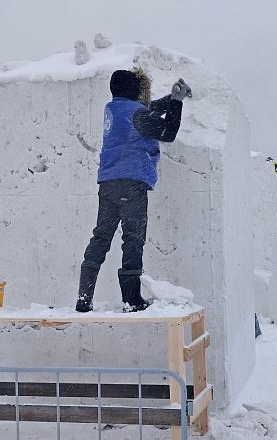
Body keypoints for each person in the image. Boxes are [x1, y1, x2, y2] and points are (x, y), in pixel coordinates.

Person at [76, 69, 191, 313]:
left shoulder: (114, 110)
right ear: (134, 90)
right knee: (133, 240)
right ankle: (131, 299)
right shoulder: (137, 115)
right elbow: (167, 132)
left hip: (108, 184)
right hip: (132, 183)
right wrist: (177, 104)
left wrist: (169, 99)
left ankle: (84, 297)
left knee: (101, 237)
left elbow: (144, 113)